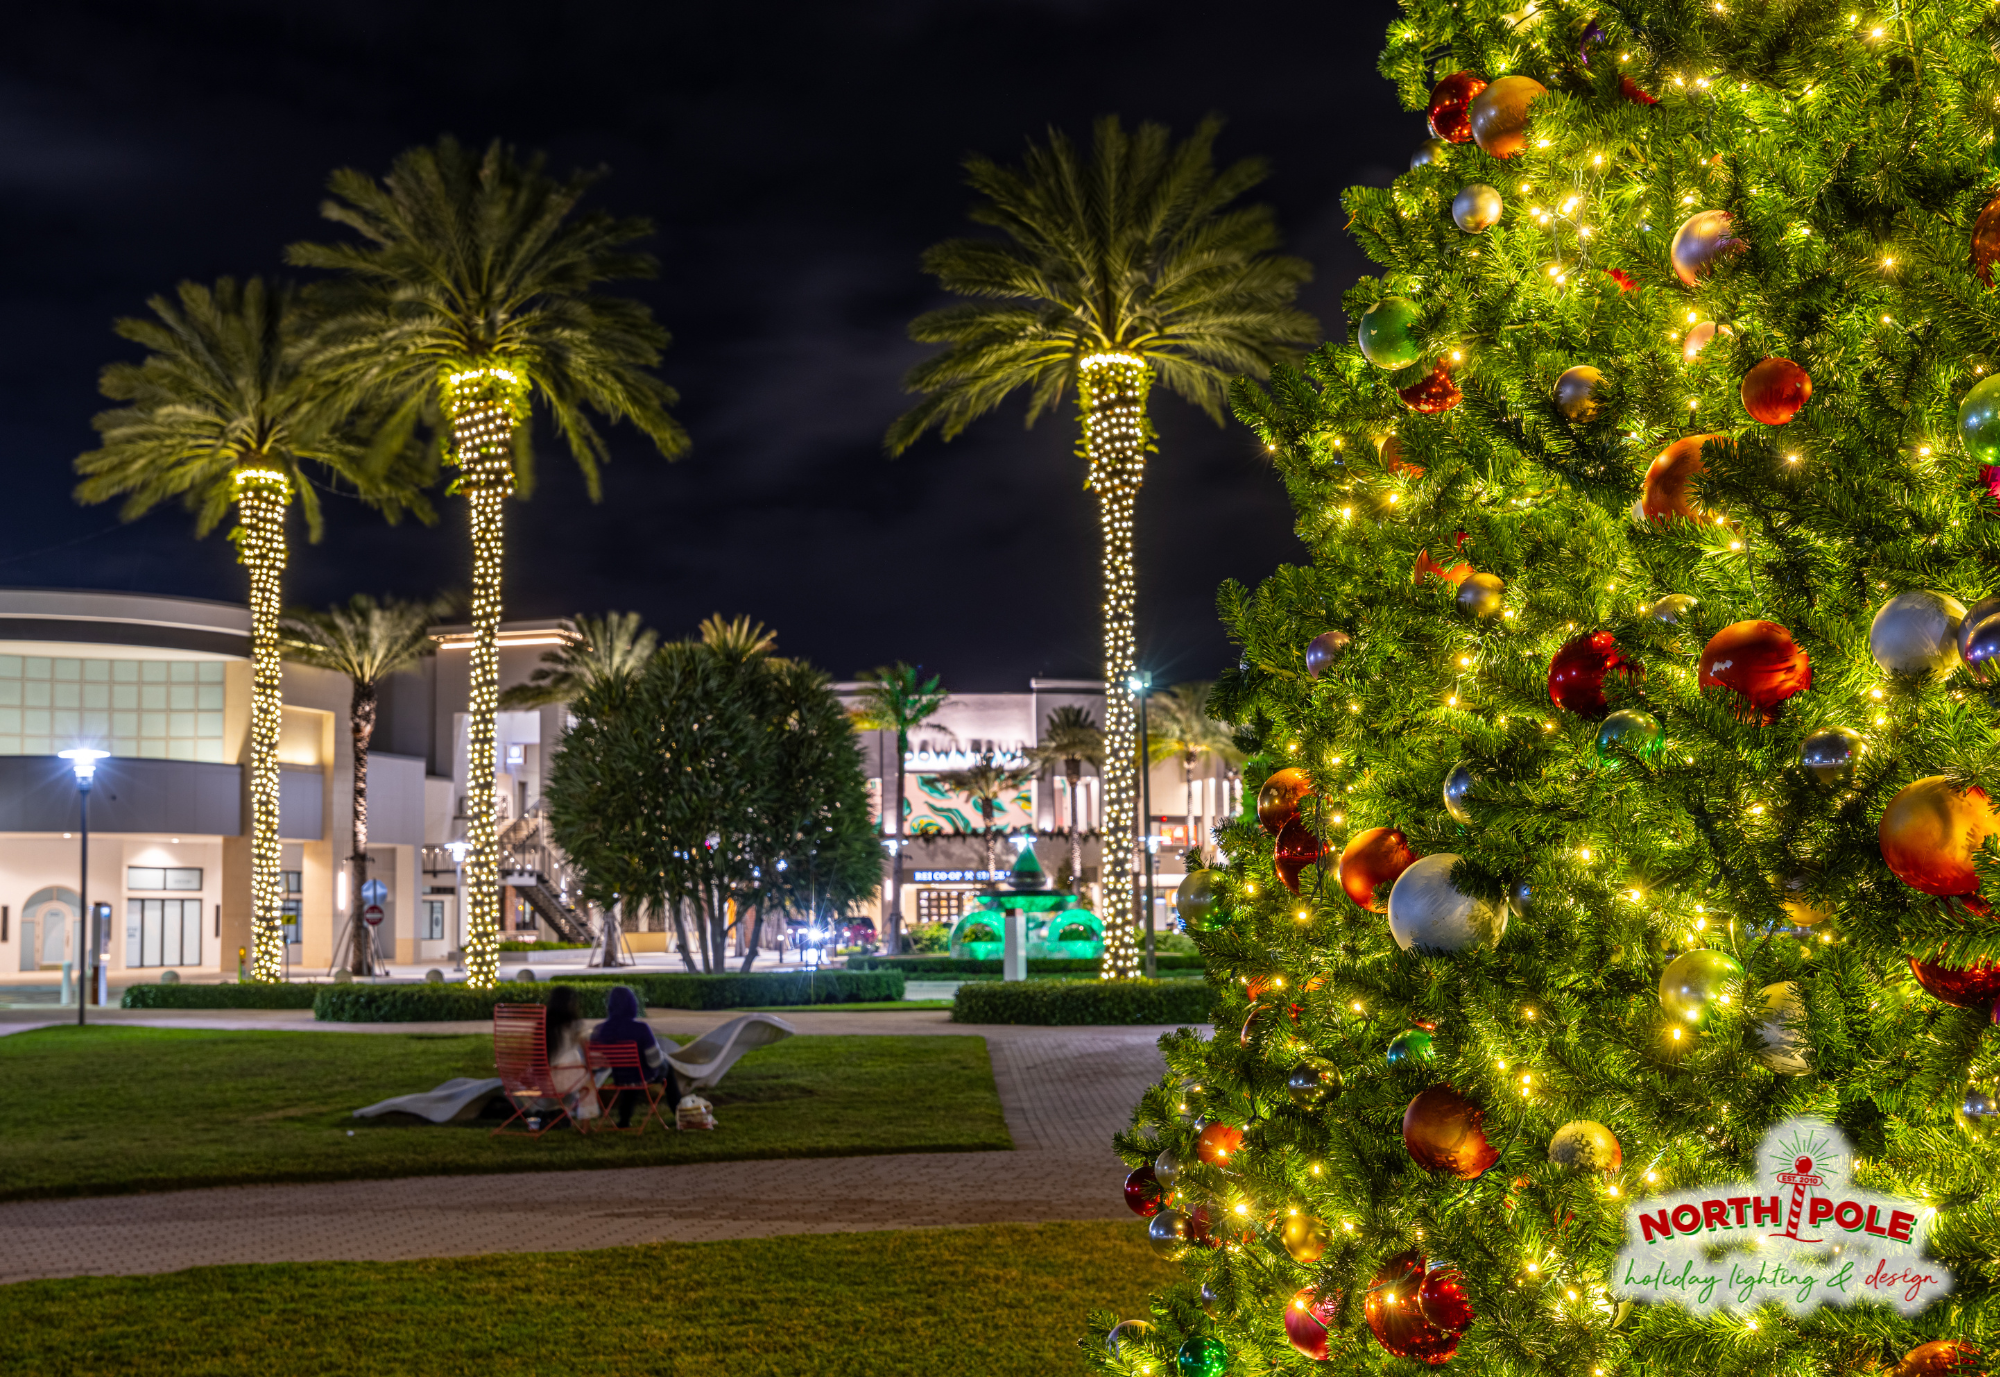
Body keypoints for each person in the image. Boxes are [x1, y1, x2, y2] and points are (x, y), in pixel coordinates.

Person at [589, 984, 679, 1128]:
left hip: (619, 1078)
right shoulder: (641, 1029)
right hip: (642, 1077)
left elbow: (596, 1065)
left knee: (631, 1073)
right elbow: (654, 1063)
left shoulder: (599, 1030)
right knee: (666, 1069)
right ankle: (679, 1113)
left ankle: (624, 1120)